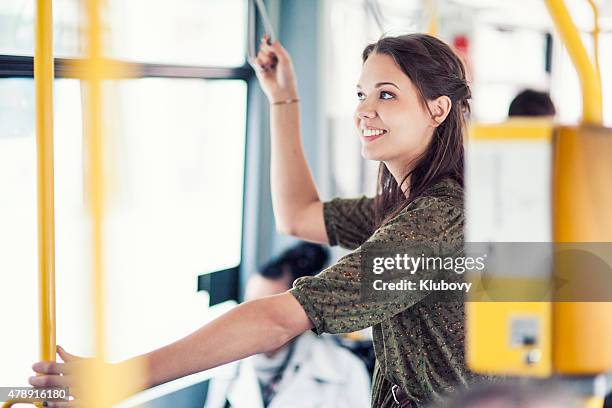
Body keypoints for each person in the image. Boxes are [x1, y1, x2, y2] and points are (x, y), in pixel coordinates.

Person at [31, 33, 483, 408]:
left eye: (387, 95)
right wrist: (283, 98)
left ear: (437, 110)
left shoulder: (437, 222)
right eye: (361, 94)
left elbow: (282, 318)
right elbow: (299, 216)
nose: (364, 110)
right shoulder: (405, 209)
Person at [204, 242, 371, 408]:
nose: (253, 321)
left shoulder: (345, 370)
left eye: (267, 312)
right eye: (248, 307)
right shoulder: (228, 367)